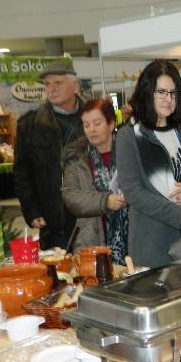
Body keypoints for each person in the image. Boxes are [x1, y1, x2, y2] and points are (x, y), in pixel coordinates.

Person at [116, 60, 181, 269]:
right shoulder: (129, 136)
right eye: (162, 92)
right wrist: (179, 213)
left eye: (173, 93)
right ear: (147, 92)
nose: (169, 99)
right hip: (154, 241)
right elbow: (133, 192)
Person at [14, 61, 84, 249]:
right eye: (47, 84)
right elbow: (22, 173)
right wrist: (31, 210)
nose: (51, 89)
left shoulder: (94, 118)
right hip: (54, 223)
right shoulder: (30, 125)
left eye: (57, 83)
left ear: (75, 86)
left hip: (94, 216)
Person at [61, 99, 128, 264]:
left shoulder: (130, 150)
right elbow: (71, 195)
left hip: (133, 235)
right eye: (86, 125)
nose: (91, 129)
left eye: (97, 123)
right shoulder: (76, 157)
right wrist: (105, 201)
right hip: (91, 239)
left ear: (111, 124)